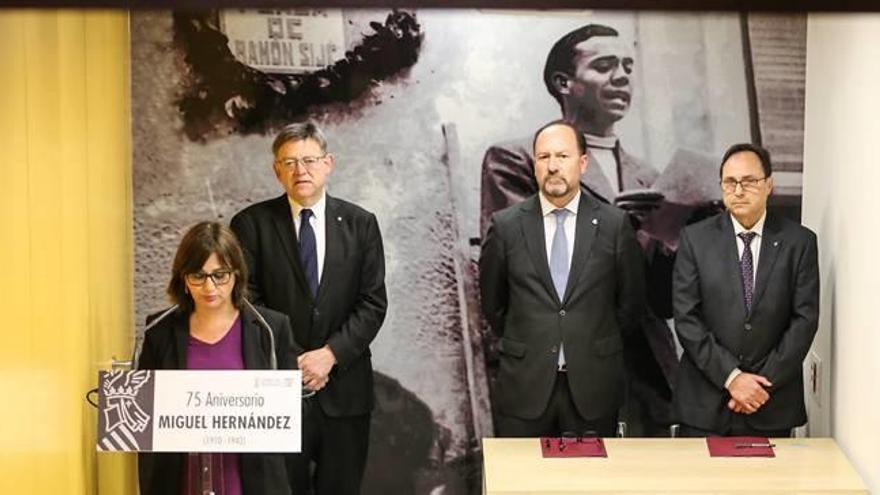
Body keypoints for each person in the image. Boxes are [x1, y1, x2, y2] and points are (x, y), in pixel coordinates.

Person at [479, 23, 677, 436]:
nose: (622, 76)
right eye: (604, 66)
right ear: (563, 83)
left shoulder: (652, 178)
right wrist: (624, 232)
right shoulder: (519, 159)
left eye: (627, 65)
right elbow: (530, 268)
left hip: (645, 379)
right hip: (559, 377)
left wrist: (676, 241)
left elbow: (662, 300)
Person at [231, 121, 387, 495]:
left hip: (345, 391)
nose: (300, 171)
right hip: (276, 391)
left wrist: (330, 355)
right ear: (276, 170)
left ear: (328, 163)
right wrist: (294, 360)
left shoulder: (360, 224)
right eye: (289, 162)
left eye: (309, 160)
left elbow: (372, 302)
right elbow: (247, 302)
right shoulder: (250, 225)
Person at [479, 120, 646, 437]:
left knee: (589, 485)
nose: (553, 167)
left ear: (583, 163)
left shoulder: (614, 225)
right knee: (524, 485)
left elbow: (630, 306)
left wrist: (589, 341)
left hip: (594, 389)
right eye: (544, 158)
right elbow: (493, 303)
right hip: (524, 388)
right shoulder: (506, 226)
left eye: (563, 156)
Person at [137, 221, 297, 495]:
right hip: (178, 479)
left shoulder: (270, 330)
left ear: (236, 275)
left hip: (251, 480)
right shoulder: (159, 331)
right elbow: (143, 415)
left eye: (219, 275)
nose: (209, 287)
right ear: (183, 279)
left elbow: (292, 413)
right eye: (197, 276)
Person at [672, 143, 819, 437]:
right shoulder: (695, 240)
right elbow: (687, 318)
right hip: (706, 404)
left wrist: (758, 384)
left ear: (769, 185)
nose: (738, 190)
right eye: (730, 182)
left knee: (770, 484)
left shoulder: (799, 242)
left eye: (749, 181)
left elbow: (804, 320)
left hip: (770, 402)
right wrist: (732, 378)